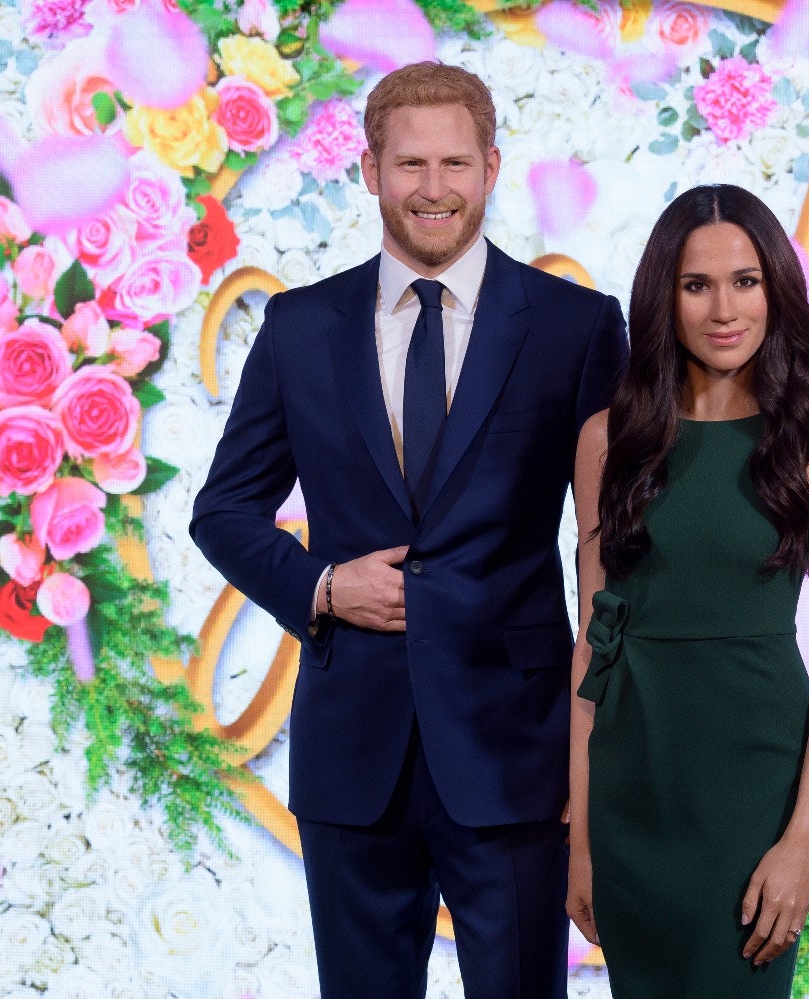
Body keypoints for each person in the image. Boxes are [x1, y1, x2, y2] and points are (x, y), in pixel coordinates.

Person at [189, 63, 627, 998]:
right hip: (354, 751)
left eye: (455, 163)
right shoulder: (301, 327)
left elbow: (614, 543)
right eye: (410, 164)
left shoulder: (576, 328)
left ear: (494, 166)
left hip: (515, 750)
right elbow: (221, 509)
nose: (434, 188)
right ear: (369, 172)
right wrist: (321, 584)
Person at [564, 184, 809, 996]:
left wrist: (805, 837)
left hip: (754, 792)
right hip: (632, 793)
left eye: (746, 280)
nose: (723, 308)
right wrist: (583, 838)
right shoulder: (607, 440)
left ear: (776, 289)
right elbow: (591, 648)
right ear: (665, 297)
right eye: (696, 284)